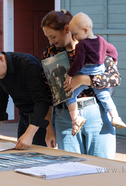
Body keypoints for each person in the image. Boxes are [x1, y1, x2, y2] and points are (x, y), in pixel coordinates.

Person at [41, 10, 121, 159]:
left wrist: (85, 80)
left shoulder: (95, 44)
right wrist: (49, 128)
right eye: (48, 38)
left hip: (96, 113)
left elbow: (114, 78)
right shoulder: (50, 52)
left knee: (101, 170)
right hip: (64, 117)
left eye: (53, 37)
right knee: (71, 171)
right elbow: (48, 91)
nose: (50, 42)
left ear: (66, 30)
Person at [0, 45, 54, 150]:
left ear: (1, 58)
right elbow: (0, 99)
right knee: (21, 151)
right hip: (24, 114)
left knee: (38, 155)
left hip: (42, 115)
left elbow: (42, 101)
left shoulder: (28, 65)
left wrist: (30, 134)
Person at [65, 12, 126, 136]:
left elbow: (79, 62)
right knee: (105, 96)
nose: (75, 37)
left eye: (75, 34)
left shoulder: (82, 44)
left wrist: (70, 75)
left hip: (85, 71)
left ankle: (76, 119)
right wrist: (114, 59)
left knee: (70, 94)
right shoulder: (101, 40)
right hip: (99, 71)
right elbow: (112, 49)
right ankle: (115, 117)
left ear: (85, 30)